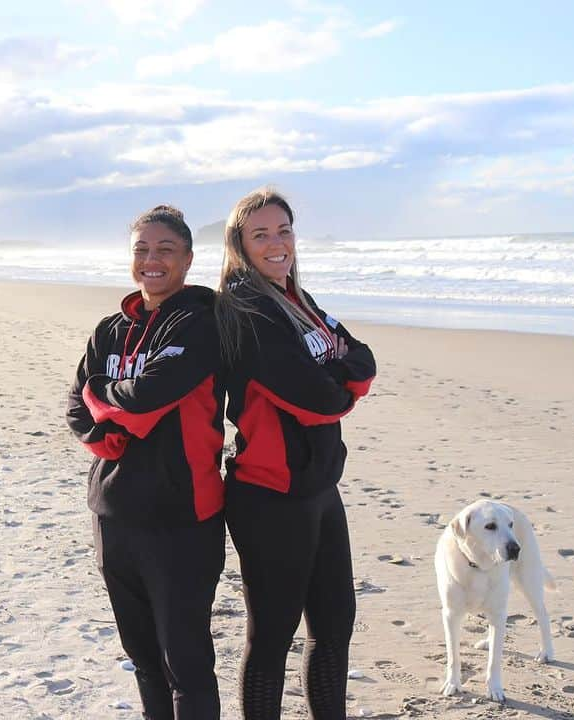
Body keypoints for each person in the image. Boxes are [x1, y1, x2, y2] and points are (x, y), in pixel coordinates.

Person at [214, 188, 376, 719]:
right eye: (260, 234)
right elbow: (315, 400)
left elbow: (363, 358)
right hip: (269, 494)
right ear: (240, 244)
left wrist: (340, 381)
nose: (276, 242)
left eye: (283, 230)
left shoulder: (297, 300)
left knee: (333, 627)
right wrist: (340, 382)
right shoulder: (247, 308)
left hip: (319, 487)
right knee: (273, 636)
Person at [66, 205, 226, 719]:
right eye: (141, 249)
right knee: (143, 660)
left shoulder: (201, 322)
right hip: (113, 517)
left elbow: (148, 396)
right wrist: (101, 433)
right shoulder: (109, 329)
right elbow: (75, 405)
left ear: (187, 259)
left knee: (186, 661)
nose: (151, 260)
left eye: (164, 250)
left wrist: (104, 400)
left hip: (182, 518)